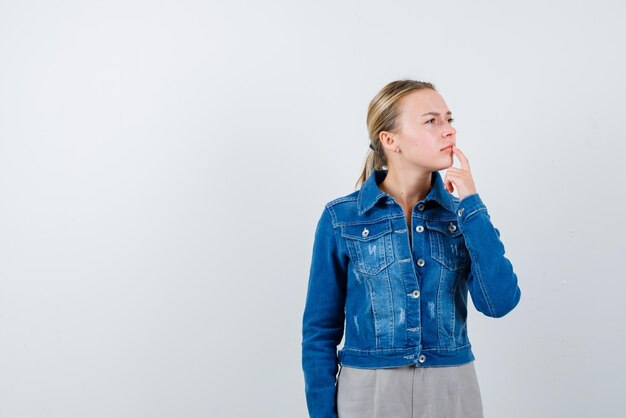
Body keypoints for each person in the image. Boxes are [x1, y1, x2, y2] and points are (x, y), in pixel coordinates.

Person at [301, 79, 521, 418]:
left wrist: (472, 206)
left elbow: (499, 303)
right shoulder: (341, 218)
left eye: (449, 119)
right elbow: (320, 330)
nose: (448, 131)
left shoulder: (462, 214)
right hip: (368, 390)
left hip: (451, 387)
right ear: (391, 140)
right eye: (431, 121)